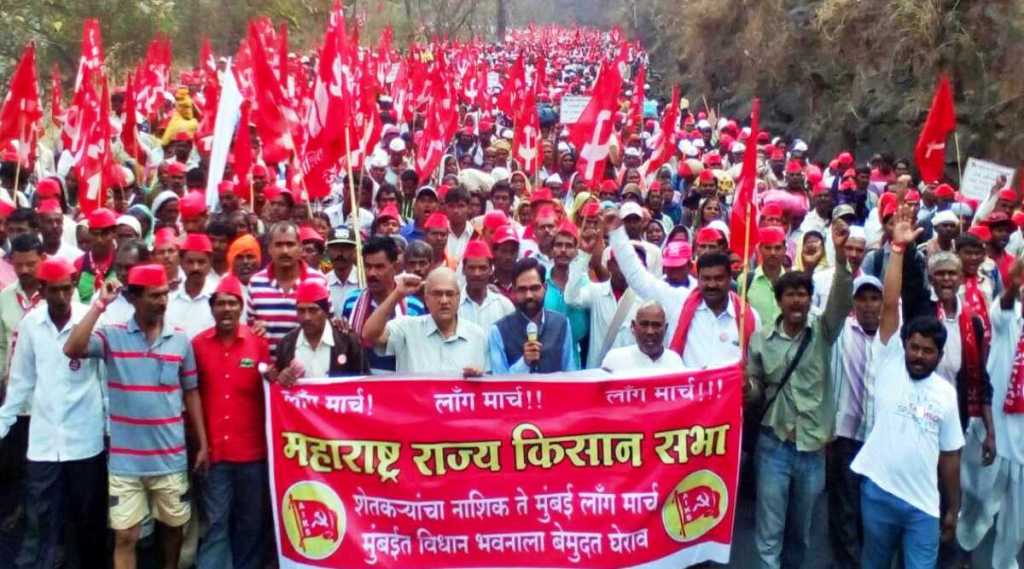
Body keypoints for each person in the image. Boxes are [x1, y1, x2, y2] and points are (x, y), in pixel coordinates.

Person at [63, 264, 208, 569]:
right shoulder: (112, 335)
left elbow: (191, 392)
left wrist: (203, 444)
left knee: (173, 531)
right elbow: (72, 348)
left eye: (164, 294)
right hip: (125, 463)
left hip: (170, 458)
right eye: (154, 296)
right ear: (133, 298)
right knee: (125, 537)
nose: (162, 301)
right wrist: (100, 305)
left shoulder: (180, 339)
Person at [851, 205, 963, 569]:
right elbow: (890, 304)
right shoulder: (890, 362)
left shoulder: (945, 394)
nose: (918, 356)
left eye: (927, 352)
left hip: (923, 508)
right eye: (913, 347)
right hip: (878, 495)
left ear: (938, 356)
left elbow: (950, 457)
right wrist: (897, 250)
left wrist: (953, 507)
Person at [745, 219, 854, 569]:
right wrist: (748, 388)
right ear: (779, 301)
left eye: (802, 294)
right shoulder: (760, 339)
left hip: (811, 450)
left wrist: (840, 257)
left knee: (800, 533)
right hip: (773, 446)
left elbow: (842, 298)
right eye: (790, 294)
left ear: (809, 300)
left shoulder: (823, 330)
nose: (797, 300)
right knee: (769, 533)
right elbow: (755, 389)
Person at [0, 257, 105, 569]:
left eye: (66, 289)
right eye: (54, 291)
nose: (61, 297)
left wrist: (110, 427)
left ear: (73, 287)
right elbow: (21, 381)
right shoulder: (31, 324)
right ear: (42, 290)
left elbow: (104, 379)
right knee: (44, 519)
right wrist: (3, 423)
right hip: (45, 442)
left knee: (87, 521)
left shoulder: (90, 318)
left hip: (85, 439)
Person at [191, 275, 272, 569]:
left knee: (250, 522)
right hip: (215, 453)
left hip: (252, 453)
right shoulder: (198, 345)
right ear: (212, 308)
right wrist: (201, 445)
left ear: (241, 308)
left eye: (232, 303)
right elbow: (191, 394)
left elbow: (270, 389)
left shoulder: (258, 342)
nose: (226, 309)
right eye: (220, 304)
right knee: (215, 522)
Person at [958, 259, 1024, 568]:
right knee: (977, 500)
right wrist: (1014, 284)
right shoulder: (1007, 316)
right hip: (992, 434)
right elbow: (1006, 302)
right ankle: (962, 547)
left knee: (1016, 526)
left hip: (1021, 446)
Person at [826, 274, 884, 569]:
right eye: (862, 298)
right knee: (845, 509)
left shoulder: (893, 339)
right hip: (846, 437)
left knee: (873, 511)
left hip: (880, 440)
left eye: (874, 298)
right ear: (853, 303)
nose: (868, 305)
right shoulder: (841, 333)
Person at [362, 267, 486, 375]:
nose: (444, 301)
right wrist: (397, 294)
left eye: (449, 294)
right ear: (426, 299)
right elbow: (369, 334)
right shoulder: (407, 328)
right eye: (437, 294)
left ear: (458, 298)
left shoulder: (476, 335)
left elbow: (488, 382)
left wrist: (477, 378)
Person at [341, 236, 426, 373]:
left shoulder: (414, 307)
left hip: (400, 379)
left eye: (379, 267)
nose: (371, 273)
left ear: (395, 267)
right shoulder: (352, 301)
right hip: (361, 379)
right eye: (368, 266)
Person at [247, 222, 329, 355]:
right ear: (269, 249)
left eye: (290, 244)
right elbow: (250, 329)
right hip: (268, 365)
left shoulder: (318, 281)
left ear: (300, 248)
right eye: (278, 245)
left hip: (308, 363)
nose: (285, 251)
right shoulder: (256, 282)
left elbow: (328, 325)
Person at [488, 258, 577, 374]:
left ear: (545, 288)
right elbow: (498, 380)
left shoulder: (561, 324)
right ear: (514, 290)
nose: (529, 295)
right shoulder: (498, 330)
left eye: (534, 288)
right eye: (522, 289)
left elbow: (570, 373)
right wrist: (524, 363)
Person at [275, 280, 367, 380]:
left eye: (313, 310)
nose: (307, 317)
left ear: (326, 312)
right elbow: (278, 382)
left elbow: (363, 381)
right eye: (301, 311)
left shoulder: (348, 342)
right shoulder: (286, 344)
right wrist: (281, 378)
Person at [601, 301, 685, 372]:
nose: (650, 332)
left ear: (665, 328)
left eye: (656, 325)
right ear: (633, 327)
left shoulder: (675, 362)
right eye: (644, 324)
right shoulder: (615, 360)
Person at [165, 234, 217, 339]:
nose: (195, 268)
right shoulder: (169, 296)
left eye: (201, 262)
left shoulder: (219, 294)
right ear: (181, 263)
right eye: (190, 262)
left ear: (210, 262)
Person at [458, 240, 515, 334]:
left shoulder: (504, 305)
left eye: (482, 268)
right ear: (463, 270)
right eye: (471, 268)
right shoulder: (454, 304)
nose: (477, 273)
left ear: (491, 270)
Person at [74, 207, 118, 303]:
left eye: (105, 234)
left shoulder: (121, 261)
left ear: (114, 233)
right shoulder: (79, 264)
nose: (99, 240)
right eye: (95, 234)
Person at [325, 226, 360, 319]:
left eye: (345, 248)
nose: (340, 254)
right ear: (328, 251)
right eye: (335, 248)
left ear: (354, 251)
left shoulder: (364, 281)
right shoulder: (323, 283)